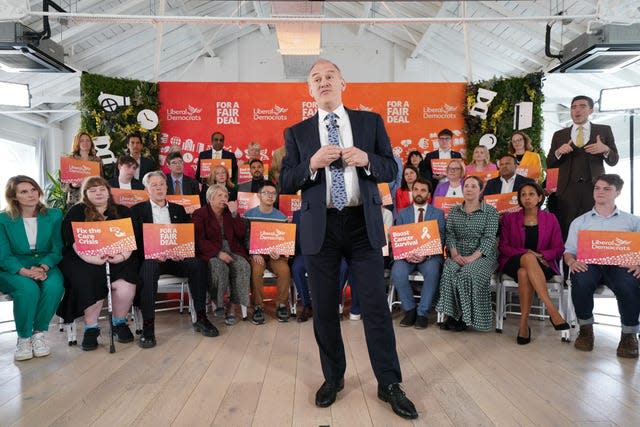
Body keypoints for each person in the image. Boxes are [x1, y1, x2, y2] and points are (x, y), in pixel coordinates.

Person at [280, 59, 417, 420]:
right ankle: (333, 377)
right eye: (316, 79)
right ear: (309, 89)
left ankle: (388, 383)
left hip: (361, 225)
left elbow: (392, 169)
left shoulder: (370, 123)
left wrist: (366, 159)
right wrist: (310, 164)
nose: (323, 82)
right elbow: (286, 181)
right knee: (324, 309)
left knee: (374, 307)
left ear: (343, 83)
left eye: (329, 77)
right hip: (320, 229)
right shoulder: (297, 133)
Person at [131, 171, 217, 348]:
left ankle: (201, 317)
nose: (158, 188)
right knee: (148, 269)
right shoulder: (137, 211)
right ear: (147, 190)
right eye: (154, 185)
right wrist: (152, 252)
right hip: (152, 259)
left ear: (167, 187)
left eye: (161, 184)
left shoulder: (178, 209)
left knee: (197, 264)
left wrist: (182, 250)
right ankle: (148, 326)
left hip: (176, 258)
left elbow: (186, 236)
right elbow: (134, 242)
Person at [56, 177, 138, 351]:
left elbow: (130, 240)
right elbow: (73, 242)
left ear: (108, 191)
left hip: (118, 257)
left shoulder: (123, 211)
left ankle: (119, 322)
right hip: (84, 258)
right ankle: (91, 328)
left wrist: (121, 257)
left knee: (125, 285)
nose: (98, 193)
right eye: (92, 190)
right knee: (89, 279)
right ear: (85, 194)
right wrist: (92, 259)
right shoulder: (76, 212)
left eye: (101, 189)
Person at [564, 174, 640, 358]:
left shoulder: (632, 222)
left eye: (607, 189)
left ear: (618, 192)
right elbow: (569, 250)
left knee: (629, 283)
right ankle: (585, 330)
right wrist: (572, 262)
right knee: (580, 280)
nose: (600, 192)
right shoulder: (580, 222)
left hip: (620, 265)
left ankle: (629, 334)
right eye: (597, 188)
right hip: (589, 264)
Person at [0, 176, 64, 361]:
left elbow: (57, 247)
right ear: (14, 197)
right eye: (24, 192)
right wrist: (25, 272)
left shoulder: (54, 215)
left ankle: (38, 334)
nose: (31, 194)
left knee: (54, 286)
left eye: (33, 189)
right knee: (27, 289)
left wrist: (43, 266)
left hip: (45, 262)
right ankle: (24, 337)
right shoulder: (3, 219)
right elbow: (3, 254)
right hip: (12, 266)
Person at [498, 182, 568, 345]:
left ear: (539, 197)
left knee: (524, 273)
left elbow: (559, 248)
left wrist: (542, 255)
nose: (527, 198)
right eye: (523, 194)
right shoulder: (510, 218)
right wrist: (530, 253)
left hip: (544, 263)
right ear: (519, 199)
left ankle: (523, 324)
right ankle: (553, 311)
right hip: (512, 260)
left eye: (531, 194)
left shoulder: (550, 219)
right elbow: (504, 247)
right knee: (528, 259)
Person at [547, 95, 619, 239]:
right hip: (567, 191)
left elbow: (614, 160)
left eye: (582, 106)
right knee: (566, 231)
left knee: (593, 229)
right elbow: (549, 162)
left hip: (593, 189)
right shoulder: (559, 135)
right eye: (573, 107)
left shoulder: (604, 130)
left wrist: (605, 149)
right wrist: (558, 152)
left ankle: (592, 261)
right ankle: (568, 262)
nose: (577, 110)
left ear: (591, 110)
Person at [436, 175, 499, 332]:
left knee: (466, 274)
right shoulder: (454, 211)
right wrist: (455, 254)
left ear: (480, 189)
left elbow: (489, 238)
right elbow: (450, 235)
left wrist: (472, 258)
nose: (469, 189)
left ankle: (465, 317)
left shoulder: (490, 212)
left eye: (473, 186)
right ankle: (452, 315)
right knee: (449, 270)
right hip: (458, 253)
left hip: (482, 256)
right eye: (466, 186)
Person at [192, 184, 250, 325]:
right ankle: (217, 302)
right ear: (210, 198)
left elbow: (241, 234)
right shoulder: (200, 213)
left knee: (242, 266)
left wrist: (235, 214)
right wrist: (217, 253)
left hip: (233, 249)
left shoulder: (230, 213)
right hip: (210, 251)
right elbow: (199, 240)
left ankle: (232, 305)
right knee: (219, 266)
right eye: (220, 196)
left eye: (226, 196)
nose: (224, 198)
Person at [391, 178, 445, 329]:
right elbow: (398, 239)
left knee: (433, 271)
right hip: (406, 256)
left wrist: (425, 254)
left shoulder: (438, 214)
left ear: (429, 194)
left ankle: (422, 313)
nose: (419, 193)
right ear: (412, 192)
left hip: (429, 257)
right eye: (416, 189)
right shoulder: (402, 214)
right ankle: (410, 310)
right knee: (397, 271)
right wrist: (406, 253)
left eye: (423, 190)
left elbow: (441, 238)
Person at [244, 182, 291, 324]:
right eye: (266, 193)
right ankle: (258, 306)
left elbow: (283, 240)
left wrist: (281, 252)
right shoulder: (248, 215)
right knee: (256, 270)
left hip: (274, 255)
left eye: (273, 193)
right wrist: (253, 253)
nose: (270, 196)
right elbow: (245, 238)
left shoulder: (281, 217)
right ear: (259, 195)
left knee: (284, 270)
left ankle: (282, 305)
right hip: (257, 255)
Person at [64, 131, 103, 205]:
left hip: (93, 199)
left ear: (91, 143)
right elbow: (63, 186)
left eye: (88, 140)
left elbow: (102, 180)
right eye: (82, 140)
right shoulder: (69, 160)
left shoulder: (97, 160)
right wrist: (72, 185)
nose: (85, 143)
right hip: (75, 201)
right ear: (77, 143)